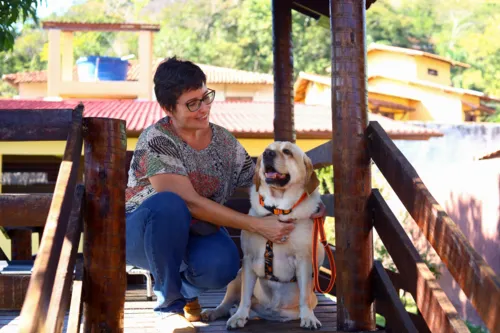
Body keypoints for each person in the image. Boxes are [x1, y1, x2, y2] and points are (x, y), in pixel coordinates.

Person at [125, 57, 324, 333]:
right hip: (141, 231)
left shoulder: (224, 142)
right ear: (168, 109)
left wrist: (307, 200)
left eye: (205, 97)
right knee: (170, 205)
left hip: (197, 232)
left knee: (225, 264)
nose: (203, 108)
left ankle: (185, 292)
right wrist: (258, 225)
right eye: (192, 103)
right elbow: (189, 202)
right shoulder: (157, 139)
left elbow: (257, 178)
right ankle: (168, 307)